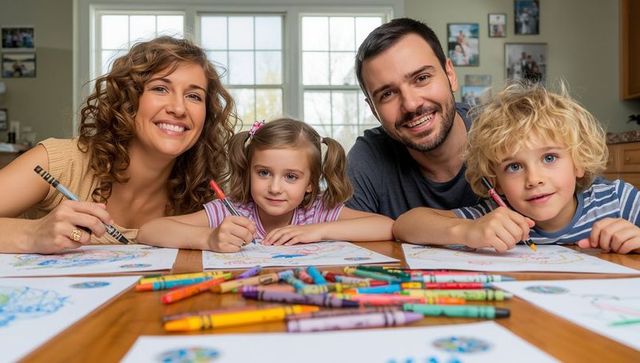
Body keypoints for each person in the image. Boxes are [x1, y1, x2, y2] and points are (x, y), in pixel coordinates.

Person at [0, 36, 236, 254]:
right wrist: (33, 234)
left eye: (194, 96)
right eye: (160, 89)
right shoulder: (58, 162)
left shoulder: (203, 197)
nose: (178, 108)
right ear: (128, 100)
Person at [393, 82, 640, 254]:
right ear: (496, 181)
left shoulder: (618, 200)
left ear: (579, 161)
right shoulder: (495, 217)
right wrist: (468, 231)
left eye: (550, 158)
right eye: (513, 166)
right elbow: (405, 225)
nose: (534, 179)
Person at [137, 118, 394, 252]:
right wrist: (209, 238)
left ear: (310, 184)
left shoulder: (317, 212)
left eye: (291, 177)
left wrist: (317, 231)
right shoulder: (230, 210)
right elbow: (149, 231)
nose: (274, 187)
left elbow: (387, 227)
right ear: (248, 171)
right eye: (263, 173)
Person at [348, 17, 479, 220]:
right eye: (387, 94)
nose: (410, 104)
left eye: (421, 78)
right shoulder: (367, 158)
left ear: (450, 75)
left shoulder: (508, 130)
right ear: (374, 110)